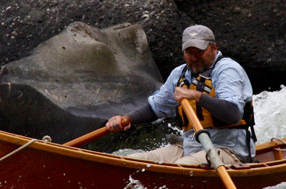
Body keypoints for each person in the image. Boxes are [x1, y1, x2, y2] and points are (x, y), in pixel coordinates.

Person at [106, 24, 255, 166]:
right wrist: (128, 118)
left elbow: (233, 114)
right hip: (189, 148)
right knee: (132, 161)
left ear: (214, 48)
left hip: (228, 150)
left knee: (180, 167)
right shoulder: (179, 74)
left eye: (199, 52)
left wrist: (197, 96)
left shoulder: (227, 70)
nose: (194, 58)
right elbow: (156, 108)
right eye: (190, 53)